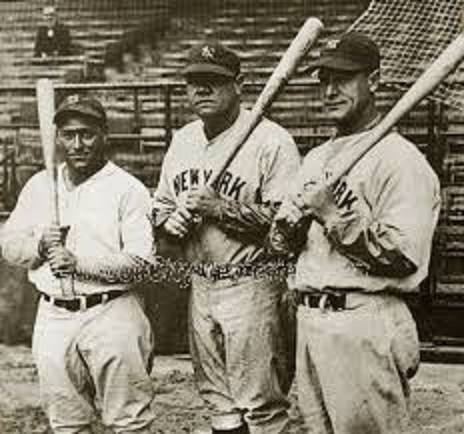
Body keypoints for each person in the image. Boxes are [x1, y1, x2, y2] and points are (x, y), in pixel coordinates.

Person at [270, 31, 441, 433]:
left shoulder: (400, 160)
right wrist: (288, 231)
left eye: (343, 79)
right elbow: (281, 246)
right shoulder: (315, 158)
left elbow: (403, 257)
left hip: (364, 319)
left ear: (375, 81)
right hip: (310, 319)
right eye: (324, 80)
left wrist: (335, 217)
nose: (330, 90)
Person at [152, 41, 301, 434]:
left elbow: (289, 226)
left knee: (262, 405)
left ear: (240, 85)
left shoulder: (272, 140)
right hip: (200, 282)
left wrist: (221, 209)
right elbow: (160, 206)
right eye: (194, 82)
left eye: (214, 81)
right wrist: (170, 224)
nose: (202, 90)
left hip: (254, 282)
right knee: (218, 403)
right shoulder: (183, 139)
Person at [0, 94, 156, 433]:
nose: (78, 143)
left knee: (129, 421)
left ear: (104, 135)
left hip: (112, 312)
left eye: (87, 133)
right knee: (67, 423)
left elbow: (142, 264)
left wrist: (79, 264)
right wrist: (39, 246)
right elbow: (8, 245)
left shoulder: (127, 189)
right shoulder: (40, 185)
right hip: (53, 315)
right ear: (57, 137)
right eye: (68, 134)